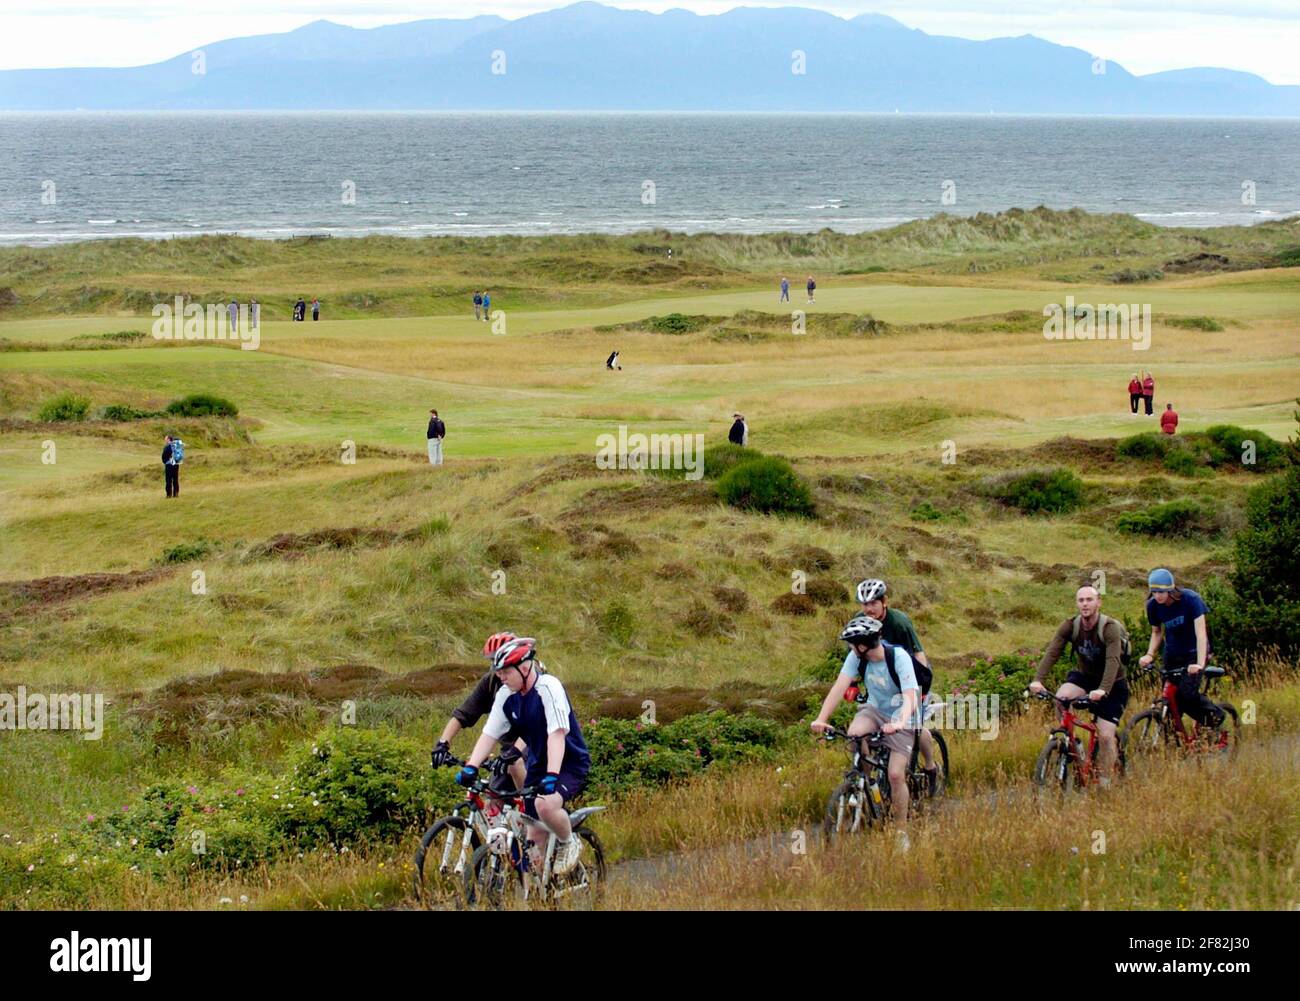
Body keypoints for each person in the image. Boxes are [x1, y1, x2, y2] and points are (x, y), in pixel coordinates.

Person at [456, 637, 591, 876]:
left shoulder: (549, 688)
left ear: (525, 667)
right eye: (499, 672)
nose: (501, 677)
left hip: (568, 762)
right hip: (539, 763)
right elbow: (489, 734)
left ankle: (569, 841)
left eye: (506, 671)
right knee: (531, 841)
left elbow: (557, 735)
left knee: (545, 805)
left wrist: (552, 775)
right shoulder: (507, 696)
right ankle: (543, 892)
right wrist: (471, 767)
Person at [811, 616, 919, 851]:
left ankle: (901, 831)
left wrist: (899, 721)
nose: (850, 649)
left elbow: (911, 695)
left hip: (903, 715)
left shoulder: (898, 657)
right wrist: (822, 718)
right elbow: (839, 687)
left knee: (895, 775)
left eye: (852, 645)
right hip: (874, 709)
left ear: (862, 645)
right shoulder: (856, 658)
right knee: (854, 734)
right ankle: (863, 781)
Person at [1028, 584, 1129, 785]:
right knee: (1061, 697)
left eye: (1089, 599)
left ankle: (1105, 782)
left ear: (1098, 602)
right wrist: (1038, 680)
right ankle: (1069, 743)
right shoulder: (1070, 626)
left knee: (1106, 736)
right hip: (1085, 678)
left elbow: (1113, 661)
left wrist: (1103, 690)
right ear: (1077, 603)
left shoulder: (1109, 628)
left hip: (1113, 684)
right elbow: (1052, 652)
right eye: (1081, 600)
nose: (1085, 604)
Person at [855, 579, 938, 789]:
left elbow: (917, 652)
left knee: (916, 727)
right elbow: (858, 656)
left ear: (885, 602)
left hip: (911, 674)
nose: (868, 609)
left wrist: (920, 688)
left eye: (873, 603)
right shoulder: (860, 621)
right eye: (864, 604)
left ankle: (930, 766)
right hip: (885, 681)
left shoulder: (899, 622)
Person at [431, 632, 528, 789]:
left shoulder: (533, 685)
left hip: (536, 746)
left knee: (515, 765)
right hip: (508, 750)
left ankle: (531, 809)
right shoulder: (492, 683)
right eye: (493, 661)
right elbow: (463, 714)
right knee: (494, 800)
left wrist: (513, 755)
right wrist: (443, 743)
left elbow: (536, 728)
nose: (498, 666)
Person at [1140, 569, 1223, 729]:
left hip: (1194, 652)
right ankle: (1177, 743)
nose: (1158, 596)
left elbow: (1201, 634)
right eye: (1154, 592)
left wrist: (1199, 664)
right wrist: (1150, 654)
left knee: (1187, 694)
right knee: (1169, 698)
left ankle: (1214, 716)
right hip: (1172, 654)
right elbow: (1157, 632)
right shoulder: (1153, 606)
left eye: (1161, 592)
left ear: (1171, 589)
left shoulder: (1191, 600)